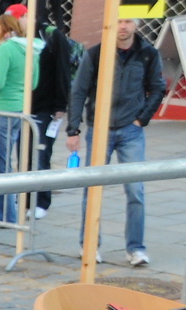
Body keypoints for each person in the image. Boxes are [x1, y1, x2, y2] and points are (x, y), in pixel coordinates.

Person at [67, 18, 166, 267]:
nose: (123, 26)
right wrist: (73, 129)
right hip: (99, 131)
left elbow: (157, 88)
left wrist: (141, 120)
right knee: (93, 191)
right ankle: (89, 245)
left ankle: (136, 249)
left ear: (136, 24)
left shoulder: (148, 54)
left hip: (130, 131)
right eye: (118, 21)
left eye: (128, 21)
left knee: (136, 191)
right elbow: (79, 91)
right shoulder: (97, 54)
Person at [0, 11, 43, 222]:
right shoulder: (31, 48)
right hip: (19, 109)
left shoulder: (5, 49)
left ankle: (3, 215)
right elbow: (33, 83)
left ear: (1, 29)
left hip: (1, 109)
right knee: (3, 161)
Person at [29, 21, 82, 218]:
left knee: (42, 153)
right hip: (28, 105)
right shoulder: (19, 39)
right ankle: (26, 198)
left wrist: (60, 105)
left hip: (46, 107)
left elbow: (62, 71)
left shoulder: (51, 36)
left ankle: (42, 200)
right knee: (25, 153)